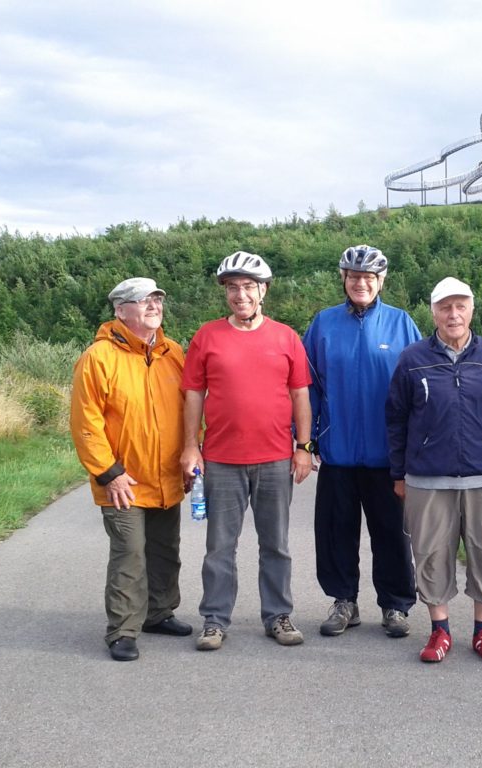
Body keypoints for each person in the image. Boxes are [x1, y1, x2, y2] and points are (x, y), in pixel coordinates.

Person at [181, 251, 314, 651]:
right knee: (219, 547)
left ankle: (278, 615)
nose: (241, 294)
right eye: (233, 287)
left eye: (249, 287)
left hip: (274, 458)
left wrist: (303, 446)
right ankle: (215, 620)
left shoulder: (286, 336)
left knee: (276, 544)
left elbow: (300, 394)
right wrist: (191, 446)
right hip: (221, 459)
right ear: (226, 292)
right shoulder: (207, 337)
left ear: (263, 291)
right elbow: (193, 394)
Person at [386, 277, 482, 664]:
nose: (453, 314)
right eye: (445, 307)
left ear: (472, 310)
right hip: (427, 477)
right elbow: (396, 418)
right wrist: (399, 473)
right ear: (433, 312)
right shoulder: (413, 359)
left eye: (460, 306)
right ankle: (439, 630)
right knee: (430, 554)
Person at [70, 277, 193, 662]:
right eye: (143, 301)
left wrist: (193, 453)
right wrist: (109, 472)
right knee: (130, 554)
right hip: (122, 480)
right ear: (120, 311)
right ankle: (122, 630)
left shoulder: (173, 352)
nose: (154, 305)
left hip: (167, 476)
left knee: (164, 549)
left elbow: (192, 409)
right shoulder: (99, 357)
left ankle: (158, 612)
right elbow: (85, 422)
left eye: (157, 298)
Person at [302, 245, 420, 639]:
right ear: (344, 279)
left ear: (381, 281)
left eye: (369, 278)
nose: (361, 283)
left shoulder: (402, 324)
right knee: (336, 531)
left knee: (391, 534)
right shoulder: (323, 324)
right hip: (337, 452)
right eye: (354, 277)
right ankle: (343, 602)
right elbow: (307, 387)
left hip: (387, 455)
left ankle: (395, 606)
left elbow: (419, 389)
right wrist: (304, 441)